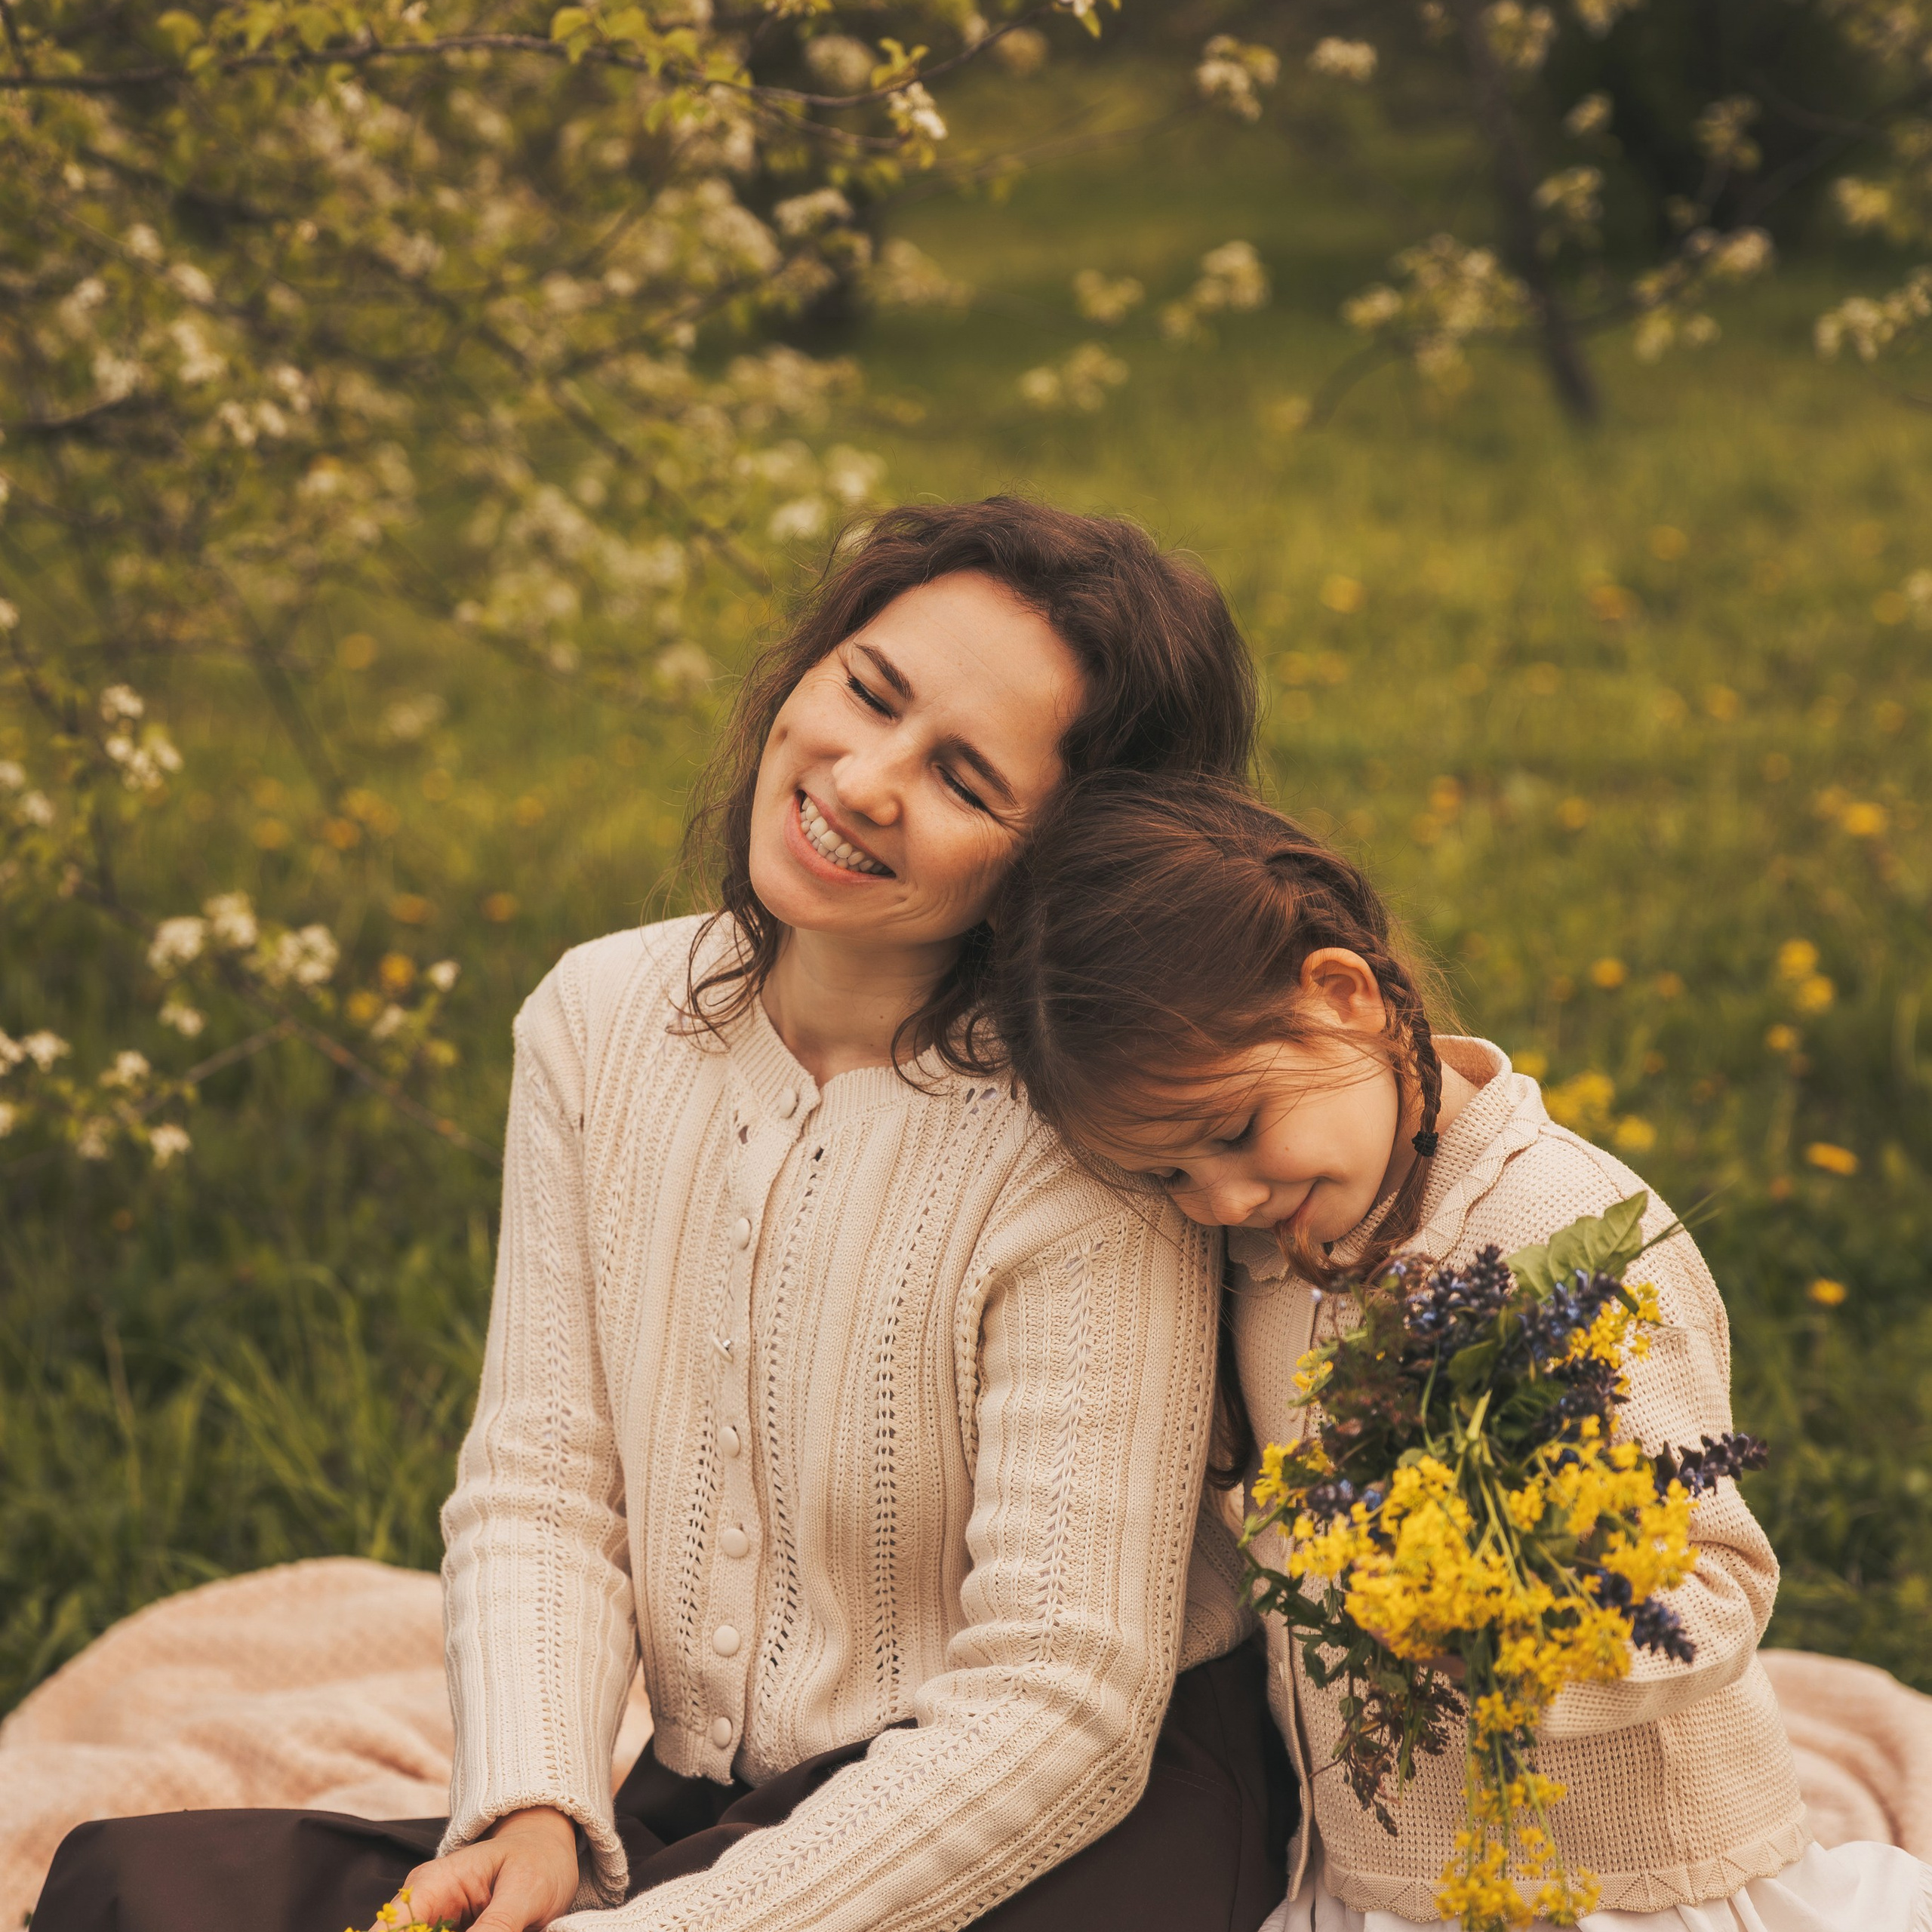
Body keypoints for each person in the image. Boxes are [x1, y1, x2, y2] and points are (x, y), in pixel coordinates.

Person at [32, 500, 1292, 1932]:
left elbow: (1063, 1706)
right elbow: (542, 1482)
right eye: (865, 693)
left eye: (964, 779)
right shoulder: (601, 1021)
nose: (864, 779)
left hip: (1076, 1827)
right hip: (716, 1798)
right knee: (144, 1896)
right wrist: (531, 1796)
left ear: (1063, 862)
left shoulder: (1086, 1135)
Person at [987, 770, 1932, 1932]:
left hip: (1616, 1873)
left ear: (1344, 998)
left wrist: (1498, 1631)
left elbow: (1719, 1580)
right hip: (1380, 1868)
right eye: (1169, 1175)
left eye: (1234, 1131)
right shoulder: (1263, 1257)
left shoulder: (1553, 1233)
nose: (1222, 1197)